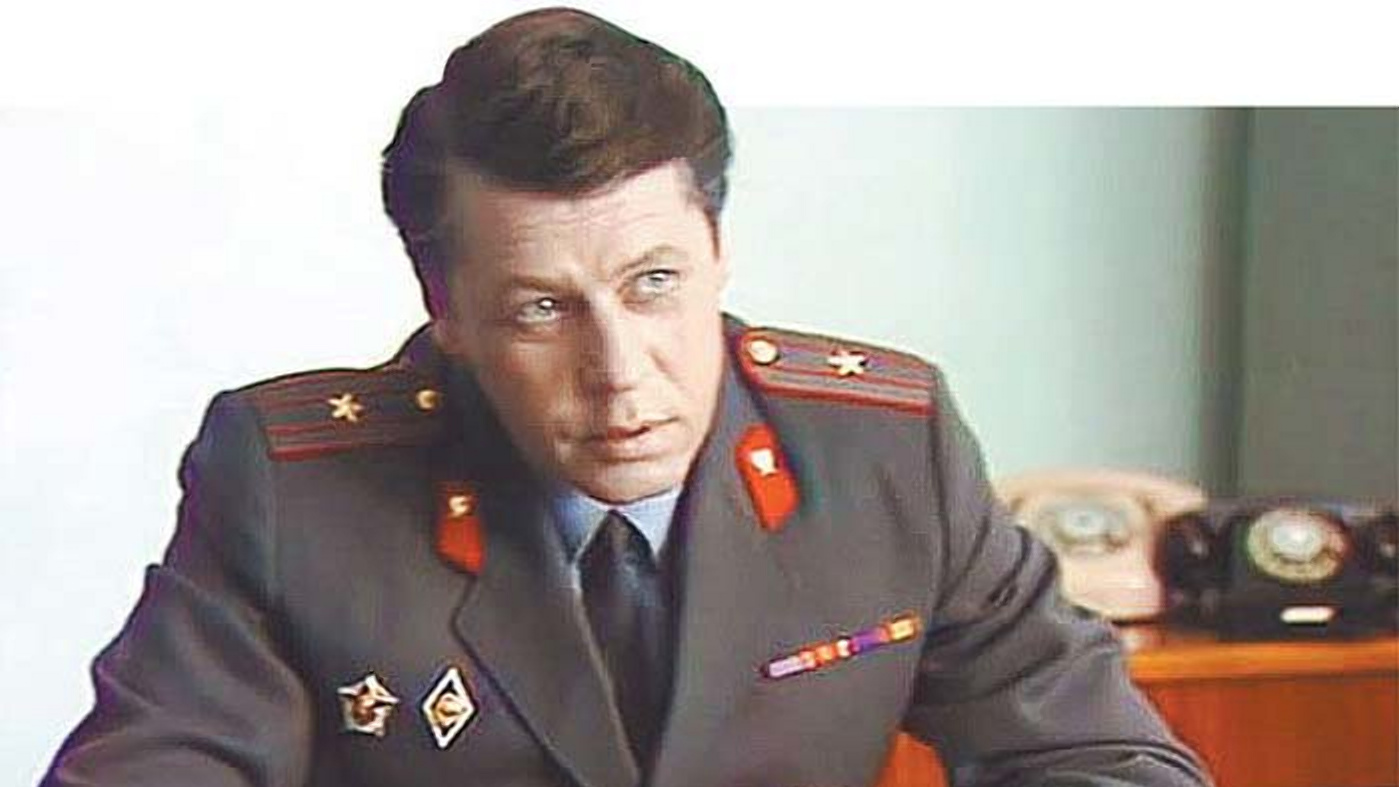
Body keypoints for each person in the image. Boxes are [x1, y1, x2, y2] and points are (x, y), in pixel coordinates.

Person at [41, 8, 1212, 787]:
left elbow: (1106, 759)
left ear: (718, 252)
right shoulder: (295, 485)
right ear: (446, 311)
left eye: (654, 284)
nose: (619, 371)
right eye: (540, 310)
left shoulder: (883, 453)